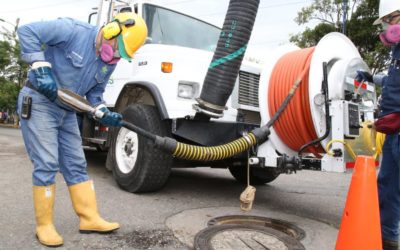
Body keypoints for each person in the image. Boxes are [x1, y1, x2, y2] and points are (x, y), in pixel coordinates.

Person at [16, 12, 148, 247]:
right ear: (111, 31)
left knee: (77, 163)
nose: (116, 56)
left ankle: (89, 218)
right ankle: (44, 226)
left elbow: (94, 95)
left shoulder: (109, 63)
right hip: (39, 100)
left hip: (67, 109)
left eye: (122, 54)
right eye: (118, 49)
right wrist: (41, 67)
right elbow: (27, 31)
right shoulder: (72, 30)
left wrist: (103, 112)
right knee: (47, 162)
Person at [357, 1, 400, 249]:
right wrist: (372, 77)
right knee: (387, 188)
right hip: (395, 130)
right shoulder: (396, 52)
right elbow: (395, 78)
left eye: (390, 20)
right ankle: (388, 240)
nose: (387, 27)